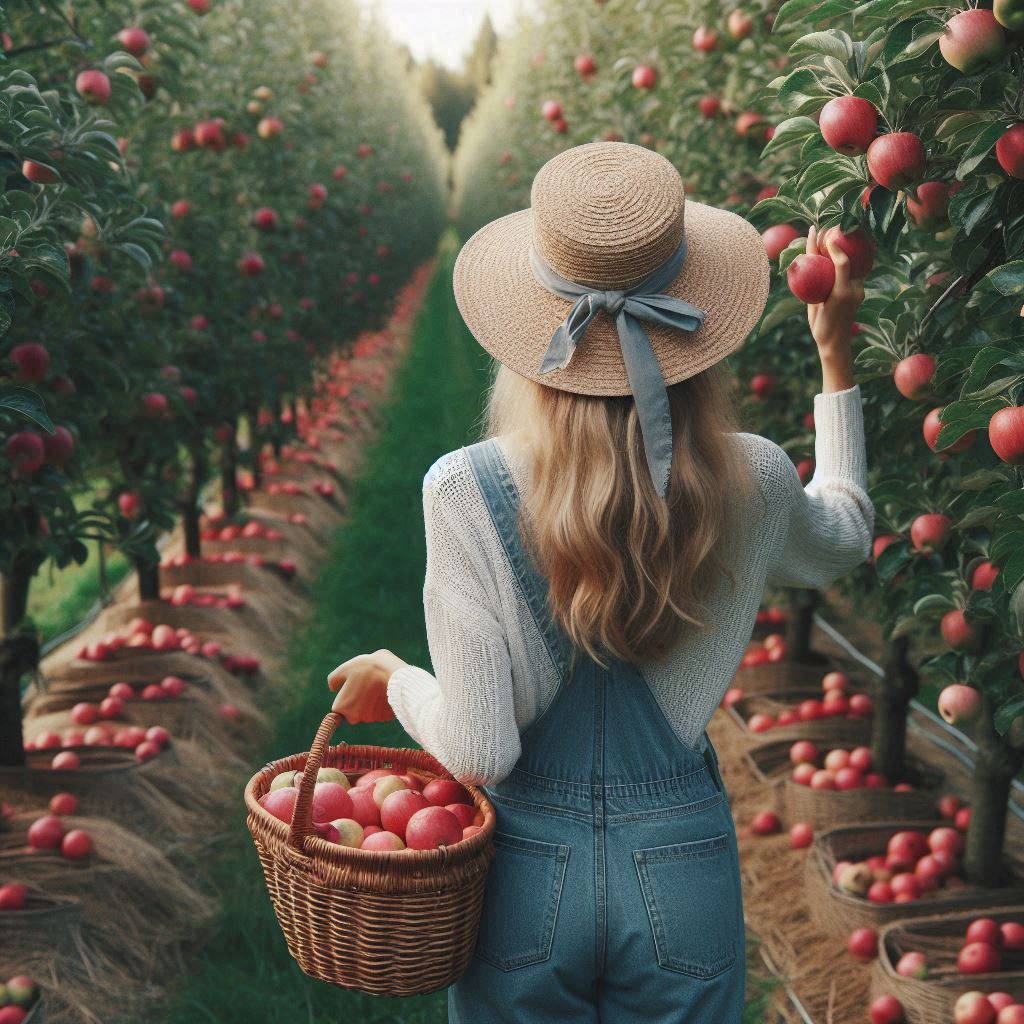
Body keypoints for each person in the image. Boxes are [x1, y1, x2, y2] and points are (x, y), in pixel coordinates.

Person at [327, 141, 873, 1023]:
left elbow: (478, 750)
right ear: (695, 324)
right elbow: (843, 533)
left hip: (521, 877)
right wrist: (835, 359)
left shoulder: (464, 489)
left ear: (529, 335)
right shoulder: (756, 478)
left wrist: (396, 681)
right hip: (682, 862)